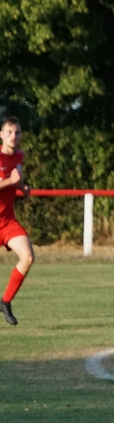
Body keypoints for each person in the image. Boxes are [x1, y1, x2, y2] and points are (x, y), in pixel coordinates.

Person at [0, 117, 34, 326]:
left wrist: (21, 187)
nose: (13, 136)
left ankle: (5, 302)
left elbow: (14, 180)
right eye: (9, 132)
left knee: (28, 256)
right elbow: (7, 179)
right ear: (1, 135)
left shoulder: (20, 156)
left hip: (6, 221)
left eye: (17, 132)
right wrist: (11, 181)